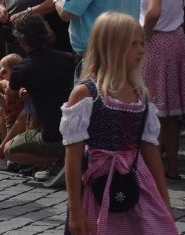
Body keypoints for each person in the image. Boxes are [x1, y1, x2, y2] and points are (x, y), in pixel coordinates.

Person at [60, 12, 176, 235]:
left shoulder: (140, 95)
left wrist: (165, 203)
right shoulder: (87, 93)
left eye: (142, 43)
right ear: (111, 46)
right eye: (133, 44)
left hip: (134, 181)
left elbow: (150, 151)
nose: (141, 49)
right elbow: (72, 156)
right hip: (96, 184)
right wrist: (74, 210)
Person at [0, 14, 74, 185]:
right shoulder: (68, 58)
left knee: (10, 150)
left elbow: (10, 95)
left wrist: (2, 82)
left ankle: (58, 160)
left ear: (21, 40)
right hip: (75, 129)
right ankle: (57, 162)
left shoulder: (24, 67)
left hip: (53, 134)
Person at [137, 0, 185, 180]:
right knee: (170, 113)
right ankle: (170, 166)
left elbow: (154, 11)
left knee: (154, 108)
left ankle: (152, 167)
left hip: (158, 41)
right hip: (177, 40)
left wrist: (142, 35)